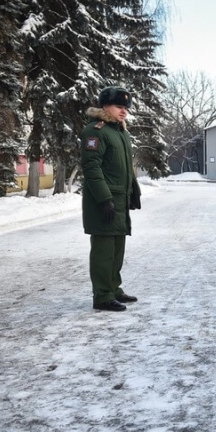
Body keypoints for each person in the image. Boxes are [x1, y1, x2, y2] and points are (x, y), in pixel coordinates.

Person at [80, 86, 142, 312]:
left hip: (119, 199)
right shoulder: (96, 131)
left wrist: (133, 191)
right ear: (105, 106)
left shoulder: (120, 132)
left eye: (126, 107)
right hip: (103, 201)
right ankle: (102, 296)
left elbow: (125, 168)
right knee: (104, 250)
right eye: (119, 106)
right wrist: (105, 199)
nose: (124, 111)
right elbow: (92, 168)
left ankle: (114, 289)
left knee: (117, 247)